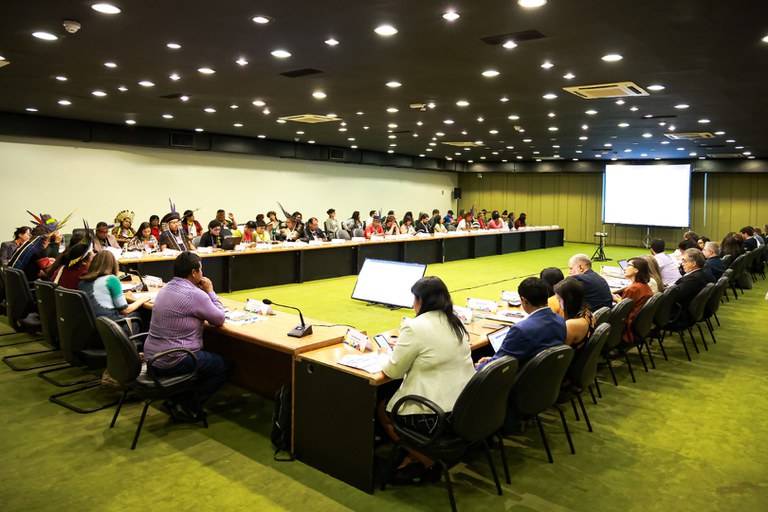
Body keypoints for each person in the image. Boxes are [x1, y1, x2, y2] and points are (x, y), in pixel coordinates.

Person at [377, 276, 475, 485]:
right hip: (464, 407)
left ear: (420, 301)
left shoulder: (414, 327)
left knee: (382, 411)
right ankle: (411, 455)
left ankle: (428, 462)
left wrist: (383, 353)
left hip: (435, 414)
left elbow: (392, 371)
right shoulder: (455, 321)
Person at [143, 252, 233, 422]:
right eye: (201, 269)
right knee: (224, 366)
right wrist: (211, 292)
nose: (202, 273)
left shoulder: (166, 288)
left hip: (152, 356)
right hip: (174, 358)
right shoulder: (195, 295)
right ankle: (188, 405)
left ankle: (176, 399)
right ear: (194, 272)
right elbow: (219, 318)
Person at [476, 277, 566, 370]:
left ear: (524, 300)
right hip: (546, 375)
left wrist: (479, 367)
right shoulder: (560, 320)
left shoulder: (521, 330)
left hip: (523, 379)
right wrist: (492, 360)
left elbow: (499, 362)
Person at [78, 250, 149, 325]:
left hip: (95, 327)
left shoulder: (81, 283)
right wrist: (142, 299)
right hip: (112, 327)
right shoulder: (111, 279)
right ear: (113, 265)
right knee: (144, 313)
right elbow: (125, 310)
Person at [612, 257, 654, 345]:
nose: (625, 268)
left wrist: (615, 299)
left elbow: (623, 310)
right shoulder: (644, 286)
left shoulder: (633, 289)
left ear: (636, 270)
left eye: (628, 265)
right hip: (638, 327)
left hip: (628, 329)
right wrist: (618, 299)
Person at [670, 248, 708, 328]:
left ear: (693, 263)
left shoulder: (693, 279)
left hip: (677, 314)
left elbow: (674, 296)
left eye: (684, 261)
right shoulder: (698, 274)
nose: (682, 264)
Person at [553, 277, 593, 352]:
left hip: (573, 361)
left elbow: (558, 352)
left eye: (559, 300)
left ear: (568, 300)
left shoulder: (571, 325)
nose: (558, 304)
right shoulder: (587, 312)